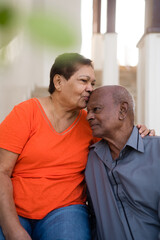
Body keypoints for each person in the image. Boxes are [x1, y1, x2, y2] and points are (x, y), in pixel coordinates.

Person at [0, 53, 153, 240]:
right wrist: (11, 229)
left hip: (66, 210)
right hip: (15, 208)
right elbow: (2, 172)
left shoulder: (91, 122)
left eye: (93, 83)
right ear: (58, 82)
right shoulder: (25, 113)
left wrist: (139, 132)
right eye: (83, 81)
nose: (90, 89)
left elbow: (118, 141)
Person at [85, 85, 160, 240]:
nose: (88, 117)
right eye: (88, 111)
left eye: (96, 109)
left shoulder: (156, 151)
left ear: (122, 110)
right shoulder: (91, 159)